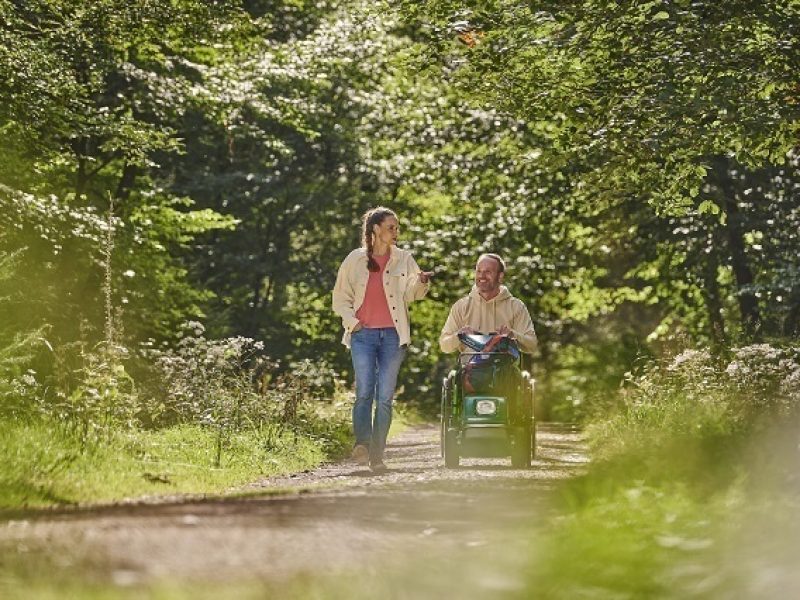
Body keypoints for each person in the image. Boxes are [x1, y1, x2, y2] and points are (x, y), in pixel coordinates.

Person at [332, 207, 432, 473]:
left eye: (397, 228)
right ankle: (362, 444)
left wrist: (421, 282)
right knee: (364, 392)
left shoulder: (404, 259)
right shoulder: (354, 260)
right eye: (391, 227)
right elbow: (340, 298)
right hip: (362, 335)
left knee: (385, 397)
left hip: (393, 336)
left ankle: (378, 454)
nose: (396, 232)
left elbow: (412, 294)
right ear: (375, 229)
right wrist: (352, 323)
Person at [439, 253, 537, 355]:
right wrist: (459, 336)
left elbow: (532, 345)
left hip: (505, 369)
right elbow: (444, 346)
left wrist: (512, 335)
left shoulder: (516, 306)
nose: (482, 276)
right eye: (479, 271)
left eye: (488, 272)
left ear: (500, 276)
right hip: (470, 369)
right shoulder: (461, 306)